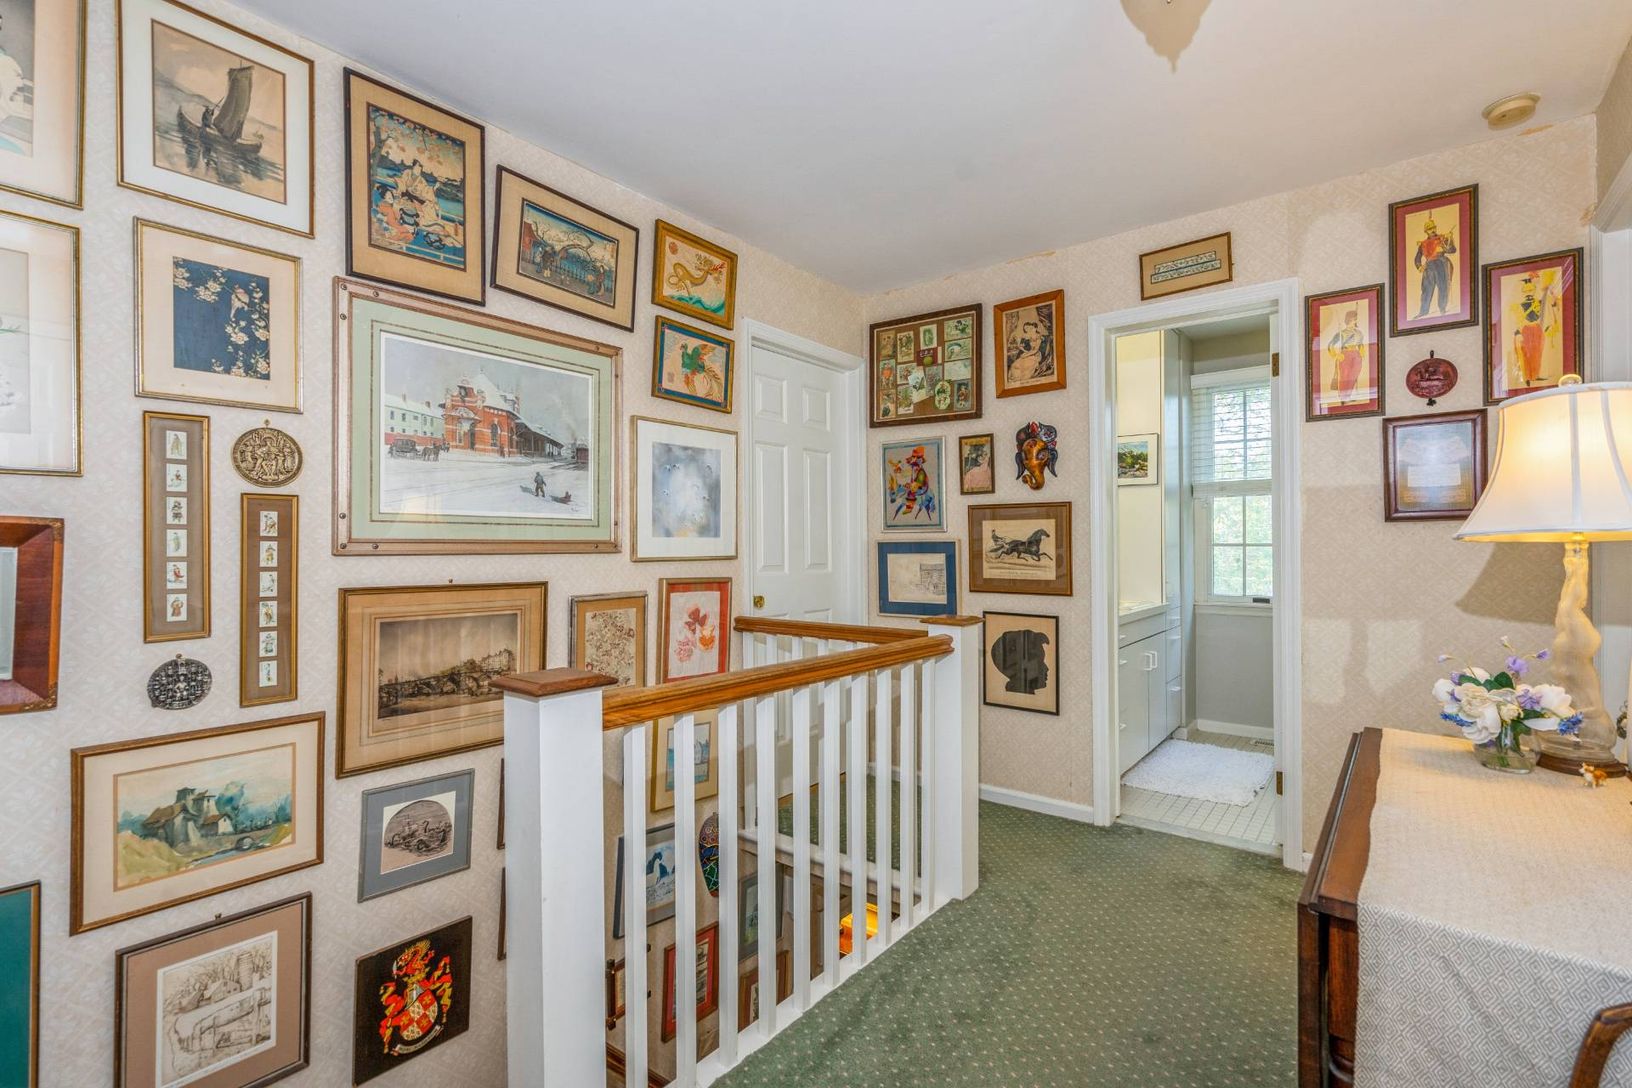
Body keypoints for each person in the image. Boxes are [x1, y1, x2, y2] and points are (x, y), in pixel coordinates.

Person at [1413, 217, 1457, 319]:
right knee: (1426, 289)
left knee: (1443, 287)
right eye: (1429, 229)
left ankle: (1442, 309)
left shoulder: (1442, 238)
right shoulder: (1423, 244)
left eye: (1433, 228)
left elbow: (1452, 250)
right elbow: (1417, 258)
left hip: (1441, 264)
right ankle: (1423, 311)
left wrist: (1449, 241)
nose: (1432, 230)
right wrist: (1419, 267)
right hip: (1429, 267)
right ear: (1426, 231)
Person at [1325, 308, 1367, 404]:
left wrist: (1362, 354)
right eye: (1353, 319)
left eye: (1355, 319)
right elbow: (1330, 345)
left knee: (1353, 376)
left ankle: (1348, 396)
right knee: (1345, 377)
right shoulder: (1342, 333)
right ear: (1349, 320)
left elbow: (1361, 344)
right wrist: (1336, 355)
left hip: (1356, 355)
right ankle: (1344, 398)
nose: (1354, 321)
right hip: (1345, 355)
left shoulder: (1359, 333)